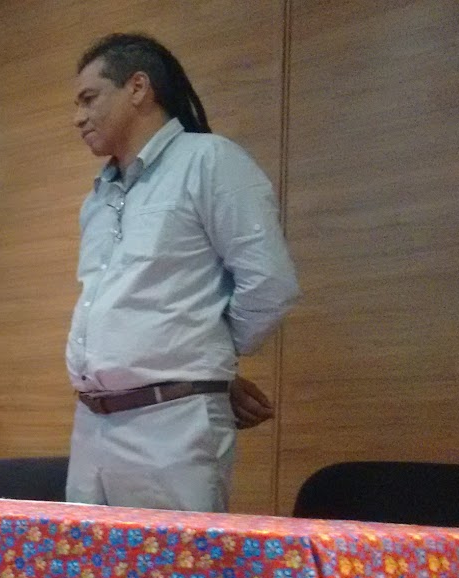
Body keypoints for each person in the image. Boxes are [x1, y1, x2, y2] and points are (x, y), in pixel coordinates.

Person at [66, 33, 299, 512]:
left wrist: (207, 356)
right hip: (91, 422)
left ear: (137, 88)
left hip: (172, 424)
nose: (78, 117)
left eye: (89, 99)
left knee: (175, 563)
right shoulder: (98, 197)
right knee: (87, 561)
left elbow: (269, 283)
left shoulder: (208, 160)